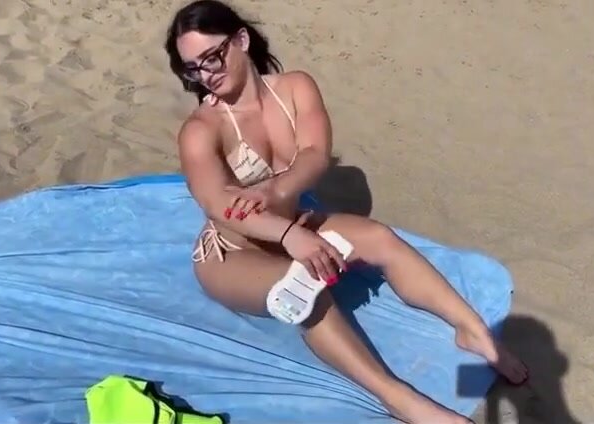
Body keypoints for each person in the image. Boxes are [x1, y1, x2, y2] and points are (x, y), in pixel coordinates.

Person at [164, 1, 528, 422]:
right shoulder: (202, 129)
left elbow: (315, 153)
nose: (206, 74)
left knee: (380, 239)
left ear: (241, 40)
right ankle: (397, 397)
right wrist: (289, 236)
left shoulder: (295, 89)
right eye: (193, 68)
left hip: (294, 225)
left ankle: (474, 332)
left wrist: (277, 190)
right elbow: (219, 204)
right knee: (303, 289)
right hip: (233, 255)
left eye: (212, 57)